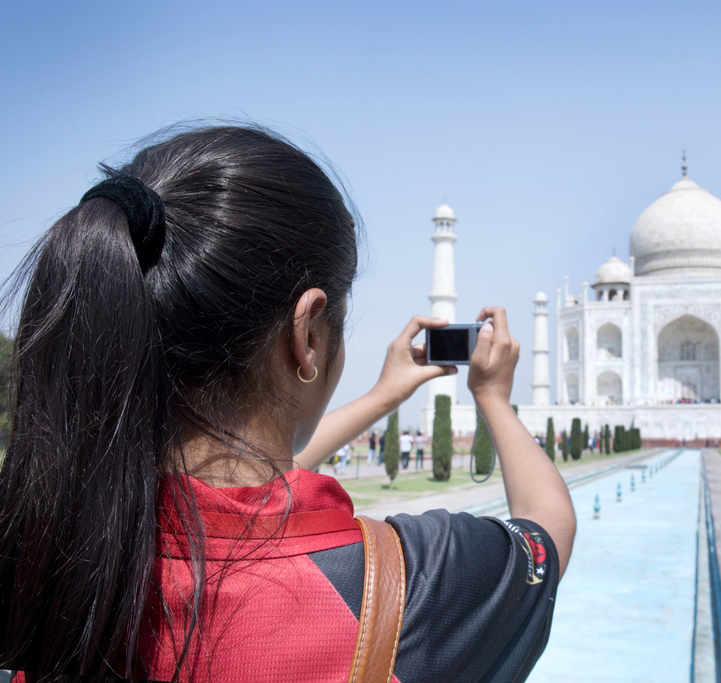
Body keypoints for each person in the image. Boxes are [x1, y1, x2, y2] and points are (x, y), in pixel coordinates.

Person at [0, 125, 576, 683]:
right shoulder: (419, 583)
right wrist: (493, 398)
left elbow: (248, 482)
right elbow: (548, 528)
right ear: (309, 336)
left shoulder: (41, 552)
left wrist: (381, 396)